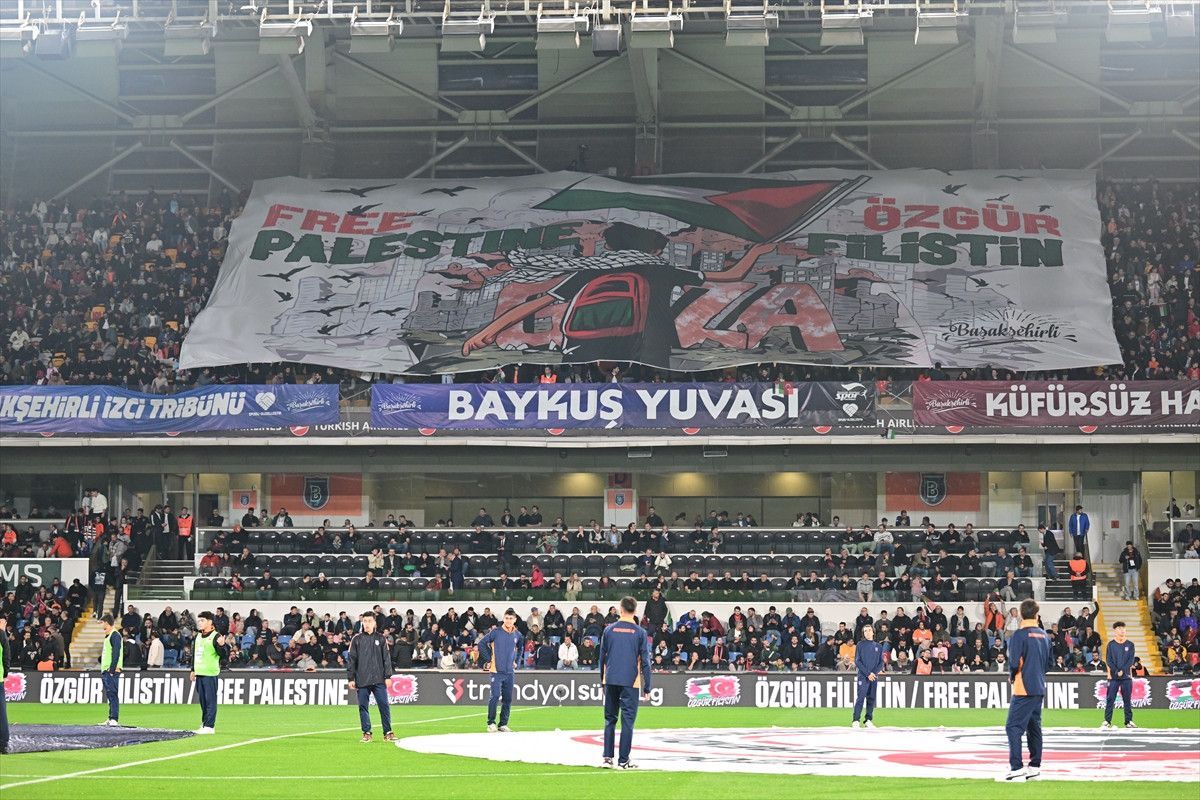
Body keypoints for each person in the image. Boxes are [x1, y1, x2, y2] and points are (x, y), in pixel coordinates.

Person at [999, 599, 1052, 782]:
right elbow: (1049, 664)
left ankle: (1016, 767)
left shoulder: (1019, 635)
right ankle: (1035, 766)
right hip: (1039, 686)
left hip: (1023, 688)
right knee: (1034, 726)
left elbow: (1014, 662)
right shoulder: (1044, 636)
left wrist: (1012, 675)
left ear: (1021, 615)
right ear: (1037, 615)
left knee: (1013, 727)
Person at [598, 595, 652, 769]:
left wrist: (602, 681)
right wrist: (648, 687)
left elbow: (602, 658)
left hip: (611, 679)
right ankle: (623, 760)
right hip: (630, 681)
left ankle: (607, 758)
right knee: (627, 721)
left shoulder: (609, 630)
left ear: (620, 610)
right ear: (635, 611)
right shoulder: (640, 632)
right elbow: (646, 662)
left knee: (610, 719)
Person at [347, 612, 395, 743]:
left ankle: (388, 732)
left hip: (379, 679)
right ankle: (367, 733)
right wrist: (350, 678)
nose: (367, 623)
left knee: (384, 705)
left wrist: (388, 676)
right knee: (363, 707)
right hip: (362, 679)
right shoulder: (356, 639)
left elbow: (386, 659)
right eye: (365, 621)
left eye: (369, 621)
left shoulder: (381, 638)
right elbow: (351, 660)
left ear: (374, 623)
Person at [477, 608, 523, 732]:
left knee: (507, 699)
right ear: (503, 618)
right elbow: (481, 644)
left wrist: (517, 661)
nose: (508, 620)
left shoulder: (517, 635)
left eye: (511, 618)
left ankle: (503, 724)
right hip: (496, 671)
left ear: (515, 620)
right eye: (506, 618)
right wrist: (489, 659)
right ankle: (491, 723)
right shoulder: (496, 632)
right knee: (495, 696)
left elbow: (521, 648)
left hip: (510, 672)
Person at [191, 611, 226, 734]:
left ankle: (210, 726)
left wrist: (222, 646)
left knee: (210, 700)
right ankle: (205, 723)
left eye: (202, 620)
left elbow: (223, 655)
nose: (199, 623)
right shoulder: (198, 636)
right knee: (203, 701)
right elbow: (194, 654)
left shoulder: (216, 636)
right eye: (199, 620)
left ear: (210, 622)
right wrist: (193, 669)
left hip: (210, 673)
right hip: (199, 672)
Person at [1101, 621, 1137, 730]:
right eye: (1119, 628)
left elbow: (1131, 660)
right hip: (1114, 677)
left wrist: (1123, 670)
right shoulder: (1111, 645)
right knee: (1110, 699)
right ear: (1115, 631)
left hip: (1126, 677)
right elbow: (1109, 660)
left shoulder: (1130, 644)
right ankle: (1107, 721)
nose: (1122, 630)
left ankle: (1128, 721)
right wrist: (1117, 671)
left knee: (1127, 699)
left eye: (1123, 628)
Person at [851, 624, 884, 729]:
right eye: (865, 631)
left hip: (873, 676)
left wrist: (873, 673)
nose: (867, 632)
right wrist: (868, 673)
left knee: (871, 698)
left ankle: (868, 720)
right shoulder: (860, 644)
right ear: (863, 633)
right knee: (860, 698)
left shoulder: (878, 646)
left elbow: (881, 662)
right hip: (863, 676)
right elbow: (857, 661)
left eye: (869, 630)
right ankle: (856, 720)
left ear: (873, 632)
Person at [99, 613, 123, 727]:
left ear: (106, 623)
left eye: (102, 622)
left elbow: (116, 653)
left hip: (111, 670)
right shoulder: (109, 636)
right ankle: (110, 717)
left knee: (112, 694)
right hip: (106, 669)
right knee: (110, 694)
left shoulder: (115, 635)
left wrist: (112, 669)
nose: (101, 625)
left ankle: (114, 718)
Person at [0, 617, 10, 755]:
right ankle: (3, 744)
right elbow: (7, 654)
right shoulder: (1, 633)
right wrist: (5, 671)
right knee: (1, 712)